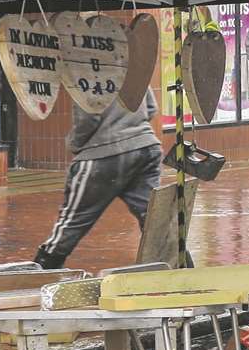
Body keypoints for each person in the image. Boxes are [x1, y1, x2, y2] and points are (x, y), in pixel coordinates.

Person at [34, 92, 162, 268]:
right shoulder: (133, 66)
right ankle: (181, 271)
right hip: (146, 147)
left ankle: (42, 270)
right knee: (155, 219)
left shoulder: (85, 73)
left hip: (102, 153)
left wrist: (74, 144)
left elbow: (87, 119)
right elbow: (151, 107)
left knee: (73, 221)